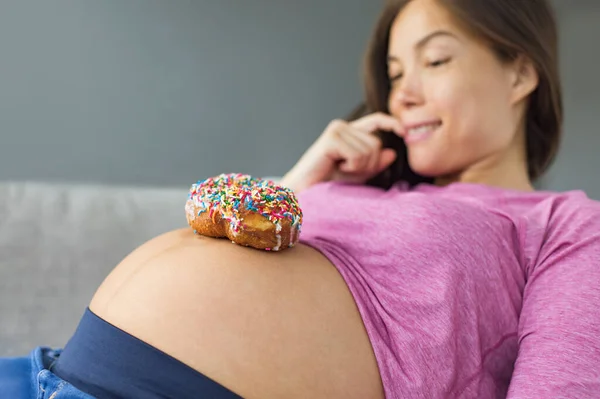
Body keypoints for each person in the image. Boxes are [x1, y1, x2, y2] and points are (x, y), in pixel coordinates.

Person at [2, 0, 599, 397]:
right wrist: (311, 171)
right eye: (393, 74)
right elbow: (239, 242)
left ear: (521, 74)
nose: (404, 94)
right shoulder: (353, 182)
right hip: (47, 374)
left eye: (435, 59)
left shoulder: (565, 226)